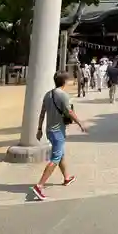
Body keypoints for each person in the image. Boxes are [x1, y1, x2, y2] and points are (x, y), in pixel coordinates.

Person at [33, 72, 87, 201]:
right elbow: (69, 111)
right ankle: (39, 185)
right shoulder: (63, 95)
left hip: (49, 130)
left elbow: (42, 113)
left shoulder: (48, 94)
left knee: (60, 154)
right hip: (58, 131)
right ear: (65, 81)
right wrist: (80, 123)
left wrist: (39, 129)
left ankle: (67, 177)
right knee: (56, 158)